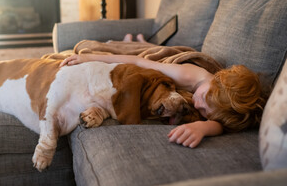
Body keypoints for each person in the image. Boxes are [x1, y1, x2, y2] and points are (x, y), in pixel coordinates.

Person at [60, 34, 266, 148]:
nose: (197, 105)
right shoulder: (192, 75)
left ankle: (138, 40)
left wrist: (202, 128)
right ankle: (137, 42)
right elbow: (141, 62)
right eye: (203, 97)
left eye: (204, 112)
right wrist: (92, 58)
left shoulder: (219, 106)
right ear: (216, 81)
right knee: (143, 53)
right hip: (160, 63)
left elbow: (220, 125)